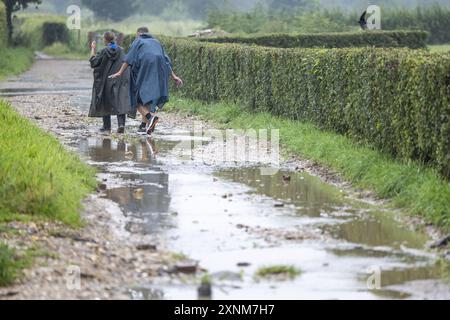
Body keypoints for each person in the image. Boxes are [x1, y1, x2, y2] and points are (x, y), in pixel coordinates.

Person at [109, 27, 183, 135]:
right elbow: (166, 60)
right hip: (159, 71)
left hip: (144, 69)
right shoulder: (156, 42)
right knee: (147, 100)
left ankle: (150, 117)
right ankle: (143, 126)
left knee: (135, 98)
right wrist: (174, 76)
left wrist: (120, 72)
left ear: (139, 33)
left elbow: (129, 58)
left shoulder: (138, 41)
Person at [89, 31, 135, 134]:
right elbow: (126, 63)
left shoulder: (104, 51)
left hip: (106, 79)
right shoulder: (121, 50)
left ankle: (107, 127)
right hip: (120, 78)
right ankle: (121, 125)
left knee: (105, 100)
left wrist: (92, 48)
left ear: (105, 40)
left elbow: (93, 62)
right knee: (120, 100)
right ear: (114, 39)